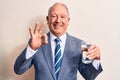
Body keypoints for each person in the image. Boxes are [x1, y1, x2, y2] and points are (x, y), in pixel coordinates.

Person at [14, 2, 103, 80]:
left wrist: (96, 59)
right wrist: (31, 49)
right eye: (53, 16)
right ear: (48, 19)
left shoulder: (80, 45)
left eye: (63, 17)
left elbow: (89, 76)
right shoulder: (36, 43)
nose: (58, 20)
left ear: (68, 21)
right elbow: (18, 70)